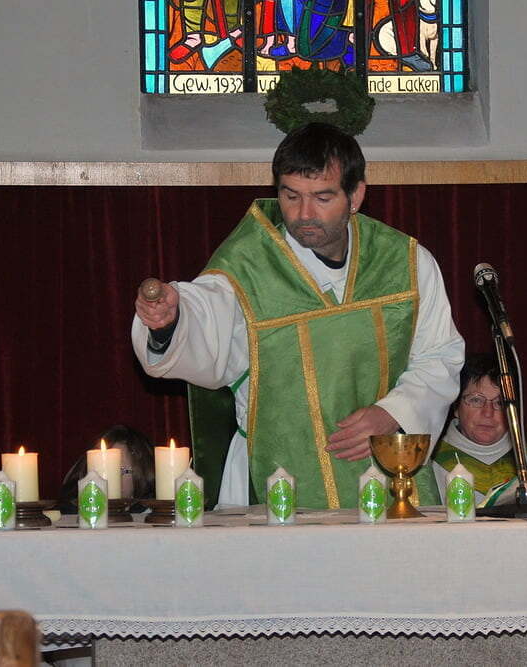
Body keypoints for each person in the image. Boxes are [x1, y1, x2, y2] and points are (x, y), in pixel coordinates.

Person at [132, 122, 464, 509]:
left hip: (384, 466)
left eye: (322, 198)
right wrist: (169, 321)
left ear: (356, 196)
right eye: (291, 197)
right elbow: (203, 311)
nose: (304, 214)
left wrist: (394, 413)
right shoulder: (248, 265)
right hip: (278, 473)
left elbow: (439, 356)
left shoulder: (405, 263)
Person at [431, 353, 527, 507]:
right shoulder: (429, 464)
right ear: (456, 406)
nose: (488, 413)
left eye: (499, 403)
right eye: (476, 400)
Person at [57, 425, 156, 512]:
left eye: (118, 471)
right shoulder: (68, 515)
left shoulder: (149, 519)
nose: (106, 480)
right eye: (101, 471)